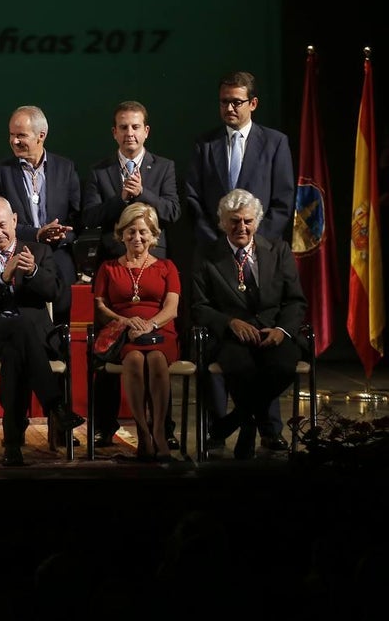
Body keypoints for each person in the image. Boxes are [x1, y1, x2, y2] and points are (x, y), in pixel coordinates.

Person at [184, 71, 295, 451]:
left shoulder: (275, 143)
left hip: (259, 252)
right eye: (223, 102)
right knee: (226, 344)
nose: (229, 108)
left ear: (253, 103)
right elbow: (195, 199)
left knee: (265, 345)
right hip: (217, 251)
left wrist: (253, 242)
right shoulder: (205, 144)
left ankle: (265, 427)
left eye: (236, 101)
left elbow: (283, 200)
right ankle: (219, 427)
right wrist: (220, 240)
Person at [0, 196, 86, 466]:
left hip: (30, 340)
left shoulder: (38, 252)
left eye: (2, 225)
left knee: (17, 344)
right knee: (19, 327)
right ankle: (55, 405)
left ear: (14, 221)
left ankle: (13, 443)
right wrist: (3, 277)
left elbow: (56, 294)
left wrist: (34, 272)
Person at [82, 101, 182, 449]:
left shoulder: (164, 167)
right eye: (123, 127)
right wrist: (119, 199)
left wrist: (144, 194)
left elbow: (172, 210)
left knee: (156, 356)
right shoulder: (100, 171)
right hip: (116, 270)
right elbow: (90, 216)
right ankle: (104, 425)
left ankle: (162, 428)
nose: (130, 133)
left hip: (155, 269)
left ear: (146, 131)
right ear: (114, 132)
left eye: (135, 127)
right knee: (108, 349)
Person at [190, 189, 306, 459]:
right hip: (232, 337)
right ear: (222, 222)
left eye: (247, 221)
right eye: (234, 221)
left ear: (257, 221)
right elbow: (199, 306)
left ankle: (236, 422)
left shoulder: (278, 250)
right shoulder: (207, 254)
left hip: (273, 333)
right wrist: (230, 322)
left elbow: (295, 301)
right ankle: (253, 426)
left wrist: (282, 330)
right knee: (240, 367)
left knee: (282, 366)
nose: (241, 227)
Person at [92, 203, 181, 462]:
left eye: (143, 231)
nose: (137, 237)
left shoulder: (167, 266)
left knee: (155, 359)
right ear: (121, 234)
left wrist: (150, 324)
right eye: (130, 231)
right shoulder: (108, 267)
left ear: (153, 235)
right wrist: (125, 322)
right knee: (133, 359)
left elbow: (172, 307)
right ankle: (143, 434)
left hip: (161, 330)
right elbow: (100, 306)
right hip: (123, 333)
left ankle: (159, 432)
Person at [0, 105, 80, 327]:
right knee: (26, 324)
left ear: (41, 136)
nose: (14, 141)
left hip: (58, 257)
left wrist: (60, 234)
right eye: (11, 135)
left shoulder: (65, 168)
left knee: (62, 322)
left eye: (21, 135)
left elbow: (78, 218)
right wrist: (37, 234)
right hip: (17, 257)